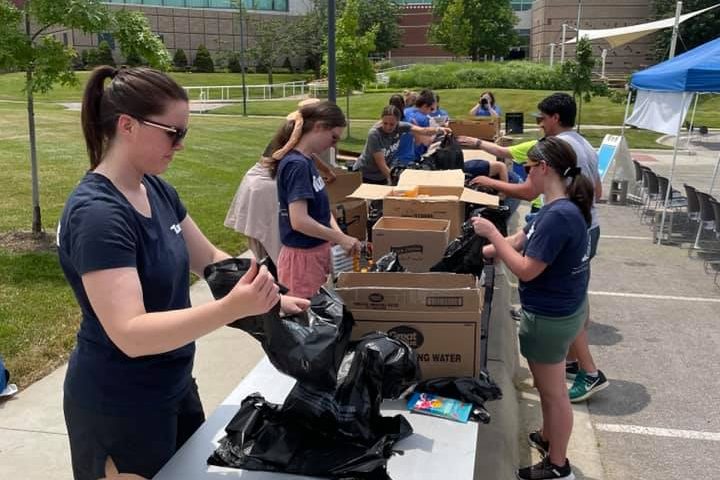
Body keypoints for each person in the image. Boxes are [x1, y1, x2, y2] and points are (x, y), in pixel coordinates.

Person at [57, 66, 309, 480]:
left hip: (173, 385)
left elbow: (209, 258)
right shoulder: (98, 215)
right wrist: (230, 309)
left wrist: (272, 298)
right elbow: (131, 334)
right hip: (120, 404)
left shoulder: (155, 189)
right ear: (127, 126)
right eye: (172, 133)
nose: (181, 145)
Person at [467, 93, 608, 403]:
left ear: (555, 117)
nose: (539, 124)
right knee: (574, 296)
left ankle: (588, 371)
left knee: (564, 303)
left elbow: (527, 268)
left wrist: (492, 189)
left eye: (541, 119)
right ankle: (571, 363)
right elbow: (596, 191)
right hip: (588, 228)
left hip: (563, 240)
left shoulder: (554, 162)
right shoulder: (583, 145)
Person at [473, 137, 594, 480]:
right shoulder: (556, 206)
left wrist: (492, 235)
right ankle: (547, 436)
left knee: (554, 395)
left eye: (526, 169)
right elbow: (521, 239)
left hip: (549, 317)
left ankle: (558, 465)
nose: (524, 177)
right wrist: (479, 251)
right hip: (564, 309)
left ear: (543, 168)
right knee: (547, 388)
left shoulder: (559, 216)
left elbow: (526, 269)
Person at [267, 101, 361, 299]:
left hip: (316, 254)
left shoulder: (307, 160)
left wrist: (338, 235)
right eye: (333, 137)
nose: (334, 144)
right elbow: (299, 221)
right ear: (319, 127)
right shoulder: (296, 165)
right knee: (307, 314)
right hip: (302, 261)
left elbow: (322, 210)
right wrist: (340, 238)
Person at [224, 99, 337, 264]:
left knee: (270, 247)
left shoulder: (298, 131)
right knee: (274, 243)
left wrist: (327, 171)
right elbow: (300, 221)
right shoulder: (296, 138)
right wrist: (336, 235)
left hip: (259, 183)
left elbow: (310, 155)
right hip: (265, 186)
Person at [355, 105, 451, 185]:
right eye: (385, 123)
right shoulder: (374, 134)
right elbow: (381, 164)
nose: (388, 127)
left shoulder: (401, 127)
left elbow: (423, 131)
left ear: (398, 122)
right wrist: (395, 182)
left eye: (392, 124)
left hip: (381, 176)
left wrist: (439, 130)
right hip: (364, 175)